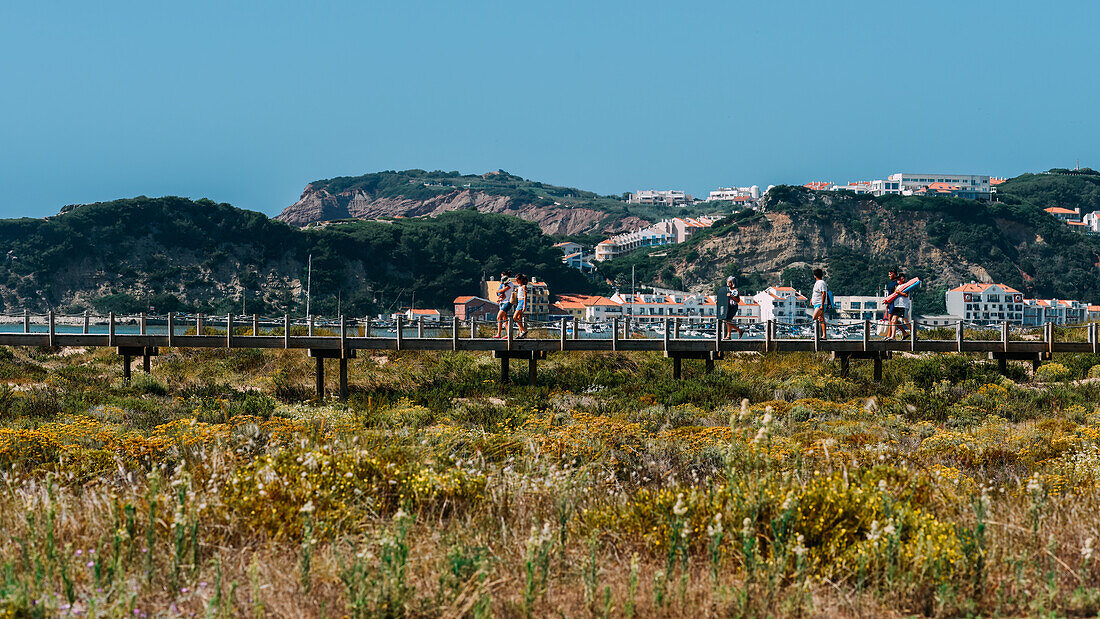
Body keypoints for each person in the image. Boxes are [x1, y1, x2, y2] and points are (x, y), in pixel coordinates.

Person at [493, 270, 515, 339]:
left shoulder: (510, 284)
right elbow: (501, 293)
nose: (501, 279)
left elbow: (502, 290)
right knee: (505, 319)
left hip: (507, 302)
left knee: (499, 317)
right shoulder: (504, 284)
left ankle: (498, 334)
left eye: (502, 277)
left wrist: (497, 291)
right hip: (503, 302)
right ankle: (509, 334)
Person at [892, 272, 911, 339]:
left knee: (905, 321)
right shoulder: (897, 286)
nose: (898, 281)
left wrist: (899, 292)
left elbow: (906, 295)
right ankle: (893, 336)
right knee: (893, 321)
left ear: (903, 279)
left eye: (899, 279)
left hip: (903, 306)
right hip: (896, 306)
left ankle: (914, 334)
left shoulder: (906, 286)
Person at [810, 267, 828, 340]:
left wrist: (822, 305)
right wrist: (812, 300)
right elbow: (816, 293)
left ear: (815, 275)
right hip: (817, 303)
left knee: (814, 317)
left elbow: (824, 293)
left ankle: (816, 335)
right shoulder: (818, 283)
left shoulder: (821, 283)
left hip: (820, 304)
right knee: (821, 319)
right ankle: (824, 335)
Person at [512, 274, 529, 339]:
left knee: (515, 317)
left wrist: (524, 305)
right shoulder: (519, 287)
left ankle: (523, 330)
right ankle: (520, 334)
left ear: (521, 280)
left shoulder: (524, 286)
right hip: (519, 302)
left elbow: (525, 296)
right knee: (519, 318)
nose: (517, 282)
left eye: (517, 280)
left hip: (522, 302)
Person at [884, 268, 899, 339]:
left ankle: (889, 335)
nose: (889, 275)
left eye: (890, 274)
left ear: (894, 274)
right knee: (893, 320)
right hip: (890, 302)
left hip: (894, 302)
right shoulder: (891, 282)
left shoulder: (896, 282)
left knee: (890, 319)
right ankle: (904, 333)